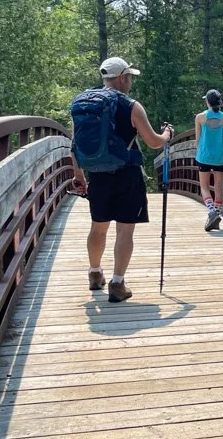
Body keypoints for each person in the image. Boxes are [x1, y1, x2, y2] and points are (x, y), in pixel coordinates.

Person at [71, 56, 174, 302]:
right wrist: (167, 134)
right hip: (127, 174)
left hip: (98, 176)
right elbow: (152, 142)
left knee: (98, 227)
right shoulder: (131, 106)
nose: (130, 81)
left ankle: (95, 274)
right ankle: (117, 284)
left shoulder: (85, 105)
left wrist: (79, 175)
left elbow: (75, 144)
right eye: (129, 76)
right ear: (120, 77)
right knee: (124, 231)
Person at [194, 89, 223, 231]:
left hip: (204, 156)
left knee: (204, 186)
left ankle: (211, 212)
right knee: (218, 187)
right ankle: (216, 215)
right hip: (220, 158)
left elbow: (197, 141)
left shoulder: (200, 117)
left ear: (207, 102)